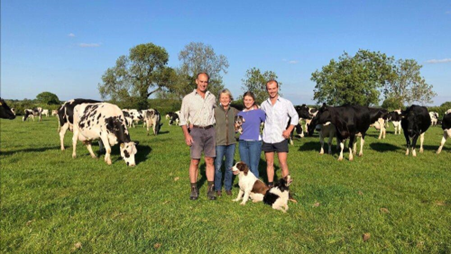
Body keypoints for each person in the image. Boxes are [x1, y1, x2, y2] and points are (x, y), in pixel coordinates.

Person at [179, 73, 217, 200]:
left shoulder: (212, 97)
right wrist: (186, 134)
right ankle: (194, 189)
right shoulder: (188, 98)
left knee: (210, 160)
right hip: (195, 131)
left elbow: (218, 112)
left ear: (208, 83)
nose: (203, 84)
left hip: (210, 130)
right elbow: (182, 118)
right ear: (196, 81)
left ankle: (211, 189)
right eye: (201, 81)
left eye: (205, 82)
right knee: (195, 161)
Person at [260, 80, 299, 187]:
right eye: (269, 89)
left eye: (273, 88)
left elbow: (295, 116)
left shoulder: (286, 103)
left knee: (282, 163)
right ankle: (270, 186)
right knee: (269, 163)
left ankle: (285, 187)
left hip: (280, 137)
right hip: (268, 137)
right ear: (267, 90)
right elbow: (260, 119)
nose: (272, 91)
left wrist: (289, 130)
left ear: (277, 88)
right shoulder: (264, 104)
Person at [214, 89, 239, 196]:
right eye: (222, 97)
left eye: (226, 97)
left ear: (230, 99)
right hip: (219, 142)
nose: (224, 100)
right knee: (218, 166)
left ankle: (228, 187)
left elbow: (244, 117)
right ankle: (218, 187)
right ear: (219, 99)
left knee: (229, 166)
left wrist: (237, 128)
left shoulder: (234, 111)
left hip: (231, 142)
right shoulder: (215, 110)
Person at [237, 91, 266, 178]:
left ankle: (255, 188)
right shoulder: (240, 114)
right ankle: (246, 188)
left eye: (250, 100)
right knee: (244, 167)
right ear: (243, 100)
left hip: (255, 142)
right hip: (242, 142)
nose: (247, 102)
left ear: (253, 101)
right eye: (246, 100)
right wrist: (236, 126)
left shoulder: (259, 112)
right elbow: (237, 129)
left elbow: (268, 123)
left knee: (253, 167)